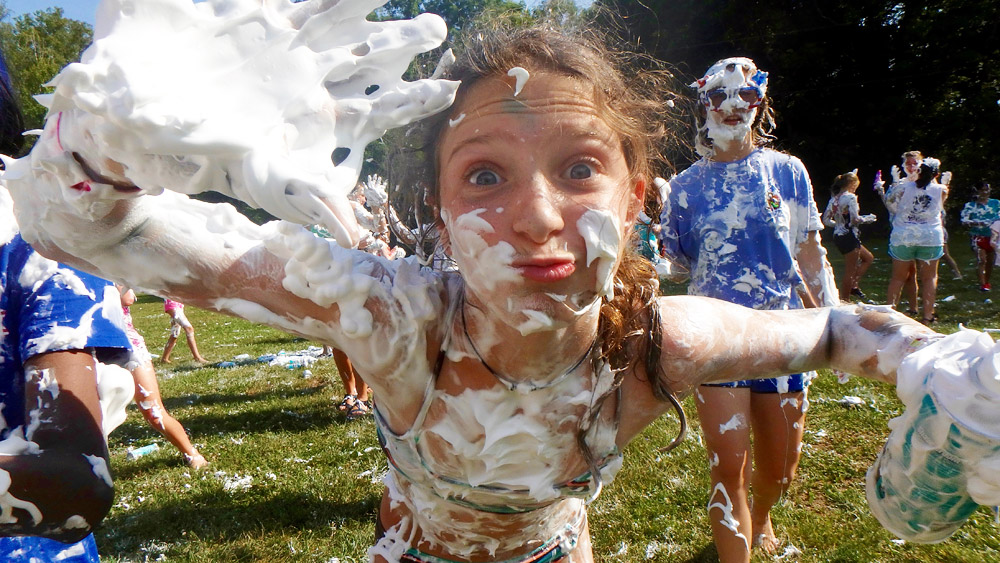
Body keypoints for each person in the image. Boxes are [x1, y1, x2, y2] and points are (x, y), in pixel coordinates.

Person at [3, 11, 970, 562]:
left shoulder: (658, 341)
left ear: (637, 196)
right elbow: (92, 226)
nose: (538, 214)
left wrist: (944, 361)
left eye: (580, 167)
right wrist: (95, 140)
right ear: (438, 207)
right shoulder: (391, 319)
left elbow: (839, 333)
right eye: (487, 174)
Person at [660, 57, 838, 562]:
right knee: (727, 467)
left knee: (781, 472)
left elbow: (809, 254)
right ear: (703, 105)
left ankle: (761, 515)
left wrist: (834, 322)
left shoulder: (787, 172)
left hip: (782, 337)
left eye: (745, 96)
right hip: (717, 340)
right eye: (719, 96)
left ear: (761, 102)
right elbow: (676, 265)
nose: (733, 106)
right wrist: (641, 248)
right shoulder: (684, 187)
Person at [118, 286, 209, 467]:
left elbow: (128, 298)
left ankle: (192, 454)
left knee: (153, 410)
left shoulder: (103, 269)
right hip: (88, 345)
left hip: (127, 344)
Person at [883, 157, 949, 324]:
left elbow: (890, 205)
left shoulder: (903, 187)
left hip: (903, 236)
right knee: (929, 278)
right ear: (937, 174)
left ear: (918, 171)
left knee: (898, 278)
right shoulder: (942, 189)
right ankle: (927, 316)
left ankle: (889, 315)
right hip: (930, 237)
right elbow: (939, 208)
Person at [876, 151, 922, 314]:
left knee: (912, 272)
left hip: (921, 233)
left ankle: (912, 308)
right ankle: (896, 308)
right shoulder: (899, 183)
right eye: (908, 163)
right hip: (902, 232)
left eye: (914, 163)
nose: (911, 166)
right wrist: (883, 192)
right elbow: (891, 208)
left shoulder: (926, 184)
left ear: (920, 164)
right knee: (904, 272)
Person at [822, 169, 876, 302]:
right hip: (849, 235)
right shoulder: (850, 197)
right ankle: (844, 300)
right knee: (849, 271)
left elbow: (825, 220)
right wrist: (868, 218)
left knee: (868, 257)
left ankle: (854, 286)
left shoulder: (834, 199)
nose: (855, 189)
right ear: (852, 184)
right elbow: (854, 220)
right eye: (855, 186)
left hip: (838, 236)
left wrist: (838, 224)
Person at [960, 181, 999, 291]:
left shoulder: (996, 203)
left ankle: (987, 282)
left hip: (992, 236)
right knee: (982, 260)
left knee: (990, 261)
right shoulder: (970, 206)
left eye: (987, 190)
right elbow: (964, 220)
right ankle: (982, 285)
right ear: (977, 191)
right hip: (977, 236)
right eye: (983, 190)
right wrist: (976, 223)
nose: (985, 192)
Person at [160, 298, 206, 363]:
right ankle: (197, 357)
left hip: (178, 304)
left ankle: (164, 358)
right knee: (189, 329)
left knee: (175, 333)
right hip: (173, 304)